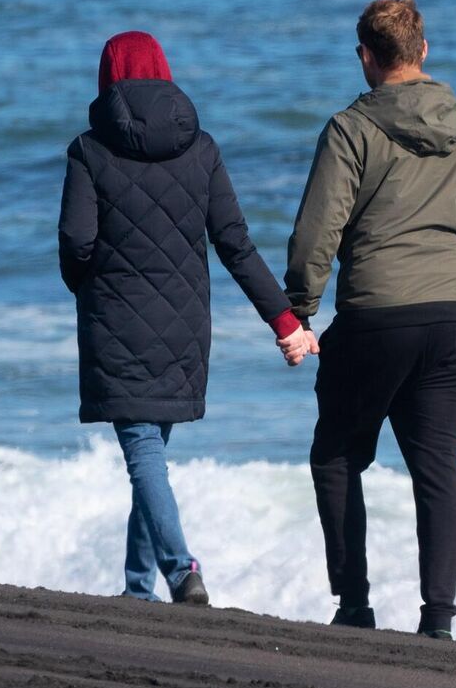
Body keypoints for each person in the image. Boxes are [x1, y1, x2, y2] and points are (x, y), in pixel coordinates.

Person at [278, 0, 456, 640]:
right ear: (423, 52)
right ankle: (437, 620)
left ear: (365, 57)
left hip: (375, 320)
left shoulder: (350, 128)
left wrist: (299, 311)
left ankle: (354, 606)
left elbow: (314, 236)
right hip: (453, 324)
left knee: (336, 457)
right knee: (436, 466)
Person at [60, 31, 305, 606]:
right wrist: (286, 322)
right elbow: (235, 245)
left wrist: (86, 289)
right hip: (186, 325)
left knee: (143, 452)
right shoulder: (203, 149)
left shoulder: (88, 151)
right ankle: (137, 588)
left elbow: (76, 241)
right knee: (151, 455)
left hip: (116, 321)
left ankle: (181, 571)